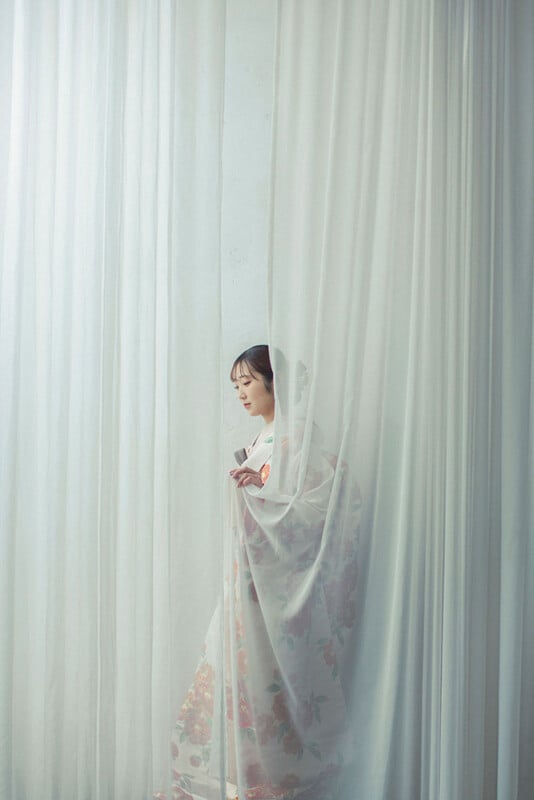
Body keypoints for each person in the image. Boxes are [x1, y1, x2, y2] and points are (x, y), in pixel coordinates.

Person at [154, 346, 360, 800]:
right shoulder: (263, 439)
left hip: (272, 590)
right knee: (233, 676)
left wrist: (261, 493)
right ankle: (239, 781)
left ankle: (270, 783)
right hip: (245, 581)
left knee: (267, 681)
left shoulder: (296, 439)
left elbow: (309, 513)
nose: (241, 393)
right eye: (236, 385)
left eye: (248, 381)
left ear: (274, 382)